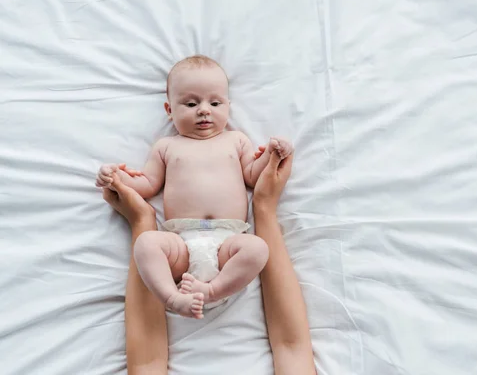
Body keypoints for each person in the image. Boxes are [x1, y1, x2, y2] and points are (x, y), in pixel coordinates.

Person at [96, 55, 293, 318]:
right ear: (169, 110)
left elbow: (252, 176)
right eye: (190, 103)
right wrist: (116, 179)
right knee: (146, 244)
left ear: (228, 106)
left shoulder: (236, 140)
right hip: (181, 244)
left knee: (257, 249)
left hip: (227, 244)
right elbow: (147, 184)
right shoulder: (167, 146)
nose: (203, 110)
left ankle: (213, 290)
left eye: (215, 102)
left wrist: (273, 154)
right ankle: (172, 297)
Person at [103, 151, 316, 374]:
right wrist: (264, 207)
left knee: (149, 246)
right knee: (254, 249)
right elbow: (292, 347)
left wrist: (142, 220)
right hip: (206, 252)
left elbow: (146, 363)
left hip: (194, 261)